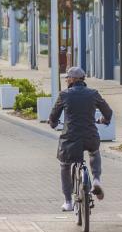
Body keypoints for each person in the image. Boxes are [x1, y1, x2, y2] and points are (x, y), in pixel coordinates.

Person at [48, 66, 113, 212]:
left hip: (70, 137)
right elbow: (108, 112)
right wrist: (104, 119)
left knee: (65, 165)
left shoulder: (64, 95)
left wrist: (52, 123)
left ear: (72, 79)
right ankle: (96, 179)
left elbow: (54, 115)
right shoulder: (93, 94)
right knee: (94, 152)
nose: (66, 80)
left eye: (67, 78)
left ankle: (68, 202)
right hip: (90, 135)